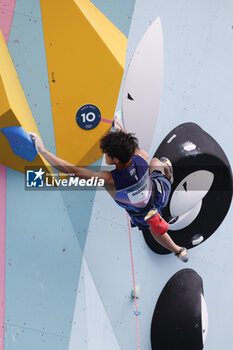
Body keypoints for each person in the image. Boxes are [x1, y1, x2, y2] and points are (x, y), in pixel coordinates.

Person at [30, 120, 188, 262]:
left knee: (152, 224)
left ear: (116, 160)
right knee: (156, 162)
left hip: (143, 214)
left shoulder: (110, 180)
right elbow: (131, 147)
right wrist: (120, 128)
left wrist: (43, 151)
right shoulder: (141, 157)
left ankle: (176, 249)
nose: (104, 155)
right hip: (160, 193)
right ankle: (168, 173)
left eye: (107, 154)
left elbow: (73, 171)